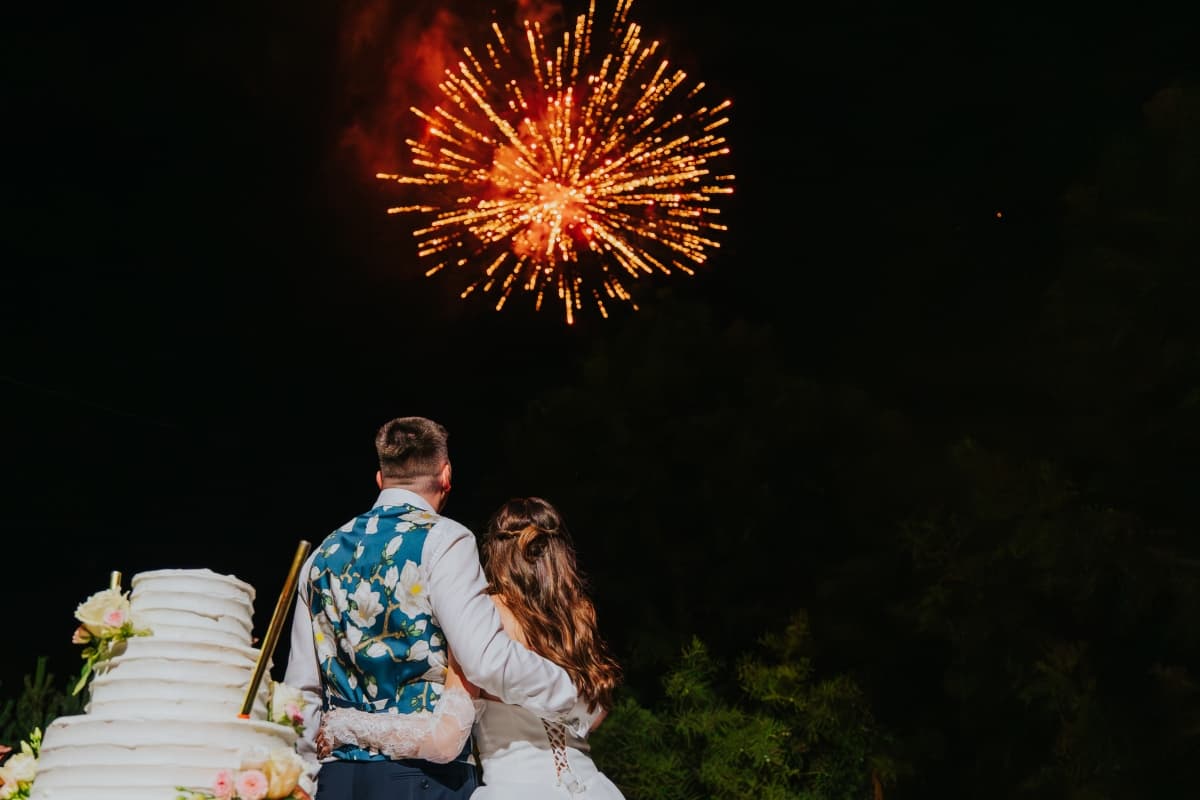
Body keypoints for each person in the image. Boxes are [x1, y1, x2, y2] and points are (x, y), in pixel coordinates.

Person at [283, 418, 598, 800]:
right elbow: (484, 659)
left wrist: (303, 775)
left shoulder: (320, 557)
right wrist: (570, 694)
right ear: (446, 475)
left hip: (336, 781)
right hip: (422, 779)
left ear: (381, 479)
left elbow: (300, 692)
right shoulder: (445, 540)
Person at [316, 496, 626, 799]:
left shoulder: (487, 614)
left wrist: (347, 724)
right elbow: (593, 716)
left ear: (496, 551)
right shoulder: (578, 616)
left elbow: (445, 739)